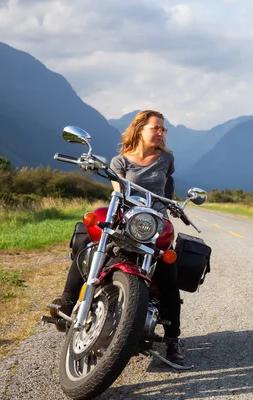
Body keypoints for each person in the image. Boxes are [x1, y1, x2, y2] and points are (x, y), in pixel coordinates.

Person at [50, 110, 184, 365]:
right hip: (128, 219)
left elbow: (168, 187)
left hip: (154, 224)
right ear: (139, 129)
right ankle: (66, 302)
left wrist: (171, 206)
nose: (160, 132)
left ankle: (172, 341)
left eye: (163, 129)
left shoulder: (166, 159)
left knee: (169, 273)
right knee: (90, 245)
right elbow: (119, 192)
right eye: (155, 128)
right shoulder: (119, 162)